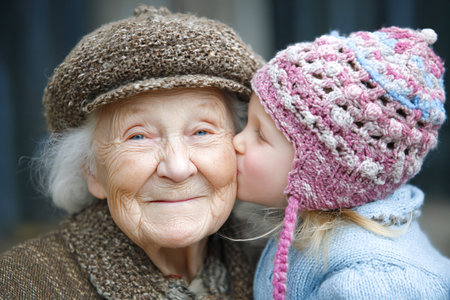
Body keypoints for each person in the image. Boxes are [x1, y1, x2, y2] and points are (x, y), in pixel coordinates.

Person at [0, 6, 264, 299]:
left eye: (201, 132)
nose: (177, 168)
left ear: (238, 147)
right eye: (138, 136)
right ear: (91, 170)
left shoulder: (279, 264)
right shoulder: (22, 284)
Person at [233, 26, 450, 299]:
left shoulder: (372, 281)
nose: (236, 142)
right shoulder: (314, 227)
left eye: (260, 135)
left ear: (323, 172)